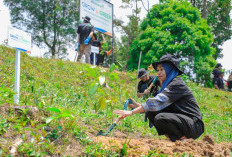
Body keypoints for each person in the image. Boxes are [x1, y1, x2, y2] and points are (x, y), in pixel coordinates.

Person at [114, 54, 204, 142]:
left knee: (161, 117)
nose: (159, 72)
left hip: (194, 124)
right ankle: (173, 138)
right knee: (151, 112)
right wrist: (139, 106)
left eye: (162, 69)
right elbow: (156, 105)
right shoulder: (167, 84)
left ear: (170, 69)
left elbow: (157, 101)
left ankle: (182, 139)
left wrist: (132, 112)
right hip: (182, 121)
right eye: (158, 70)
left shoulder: (177, 83)